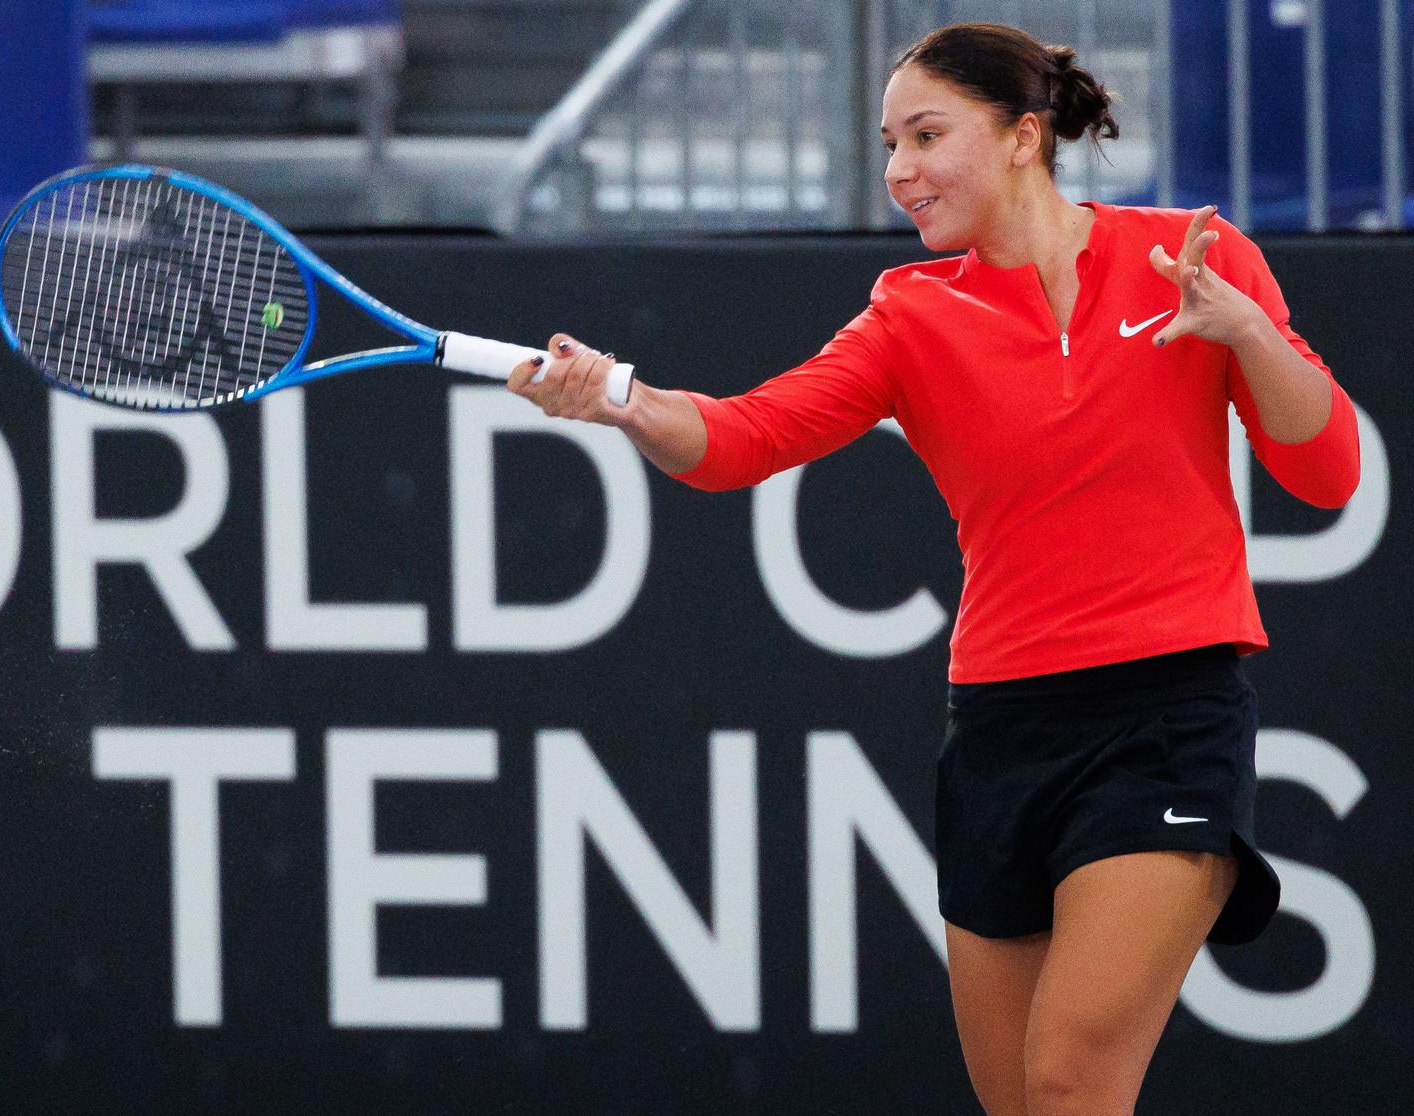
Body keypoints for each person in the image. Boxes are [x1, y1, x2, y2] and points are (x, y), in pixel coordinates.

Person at [506, 21, 1361, 1116]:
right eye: (887, 144)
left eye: (926, 135)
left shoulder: (1194, 254)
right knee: (1021, 1104)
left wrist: (1247, 333)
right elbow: (741, 440)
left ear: (1023, 137)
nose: (900, 172)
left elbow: (1327, 473)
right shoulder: (911, 313)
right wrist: (616, 396)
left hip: (1167, 725)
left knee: (1069, 1082)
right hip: (1001, 735)